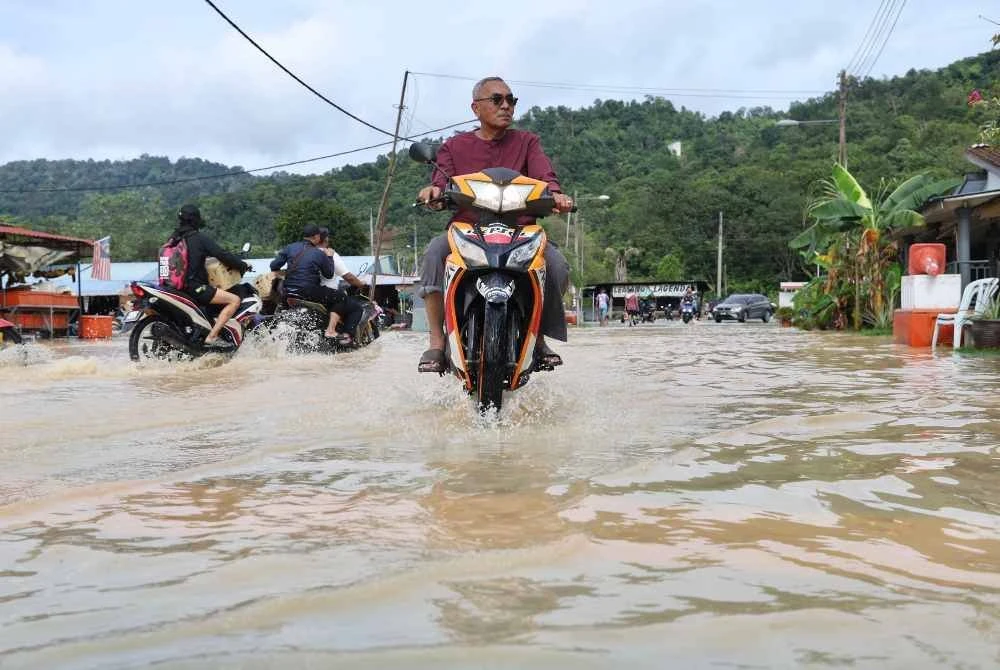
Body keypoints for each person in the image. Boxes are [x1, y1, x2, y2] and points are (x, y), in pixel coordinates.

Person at [415, 76, 574, 374]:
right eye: (497, 99)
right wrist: (434, 193)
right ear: (476, 108)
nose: (506, 106)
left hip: (521, 230)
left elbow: (546, 178)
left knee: (556, 266)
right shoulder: (453, 146)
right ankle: (436, 342)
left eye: (511, 100)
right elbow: (441, 181)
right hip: (467, 228)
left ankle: (537, 340)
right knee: (434, 253)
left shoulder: (528, 142)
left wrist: (556, 196)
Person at [168, 204, 250, 350]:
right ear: (195, 220)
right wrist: (242, 265)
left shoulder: (173, 239)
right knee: (234, 300)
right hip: (195, 288)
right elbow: (222, 255)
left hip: (176, 287)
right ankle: (212, 337)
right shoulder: (198, 238)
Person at [269, 224, 351, 345]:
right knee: (341, 297)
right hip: (309, 292)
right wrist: (329, 257)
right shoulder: (319, 253)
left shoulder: (289, 248)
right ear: (317, 237)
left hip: (287, 291)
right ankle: (331, 330)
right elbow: (328, 274)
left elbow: (273, 266)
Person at [316, 226, 367, 341]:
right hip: (325, 295)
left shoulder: (304, 254)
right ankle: (346, 337)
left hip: (305, 293)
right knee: (356, 308)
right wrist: (360, 284)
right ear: (326, 239)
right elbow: (348, 277)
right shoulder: (330, 254)